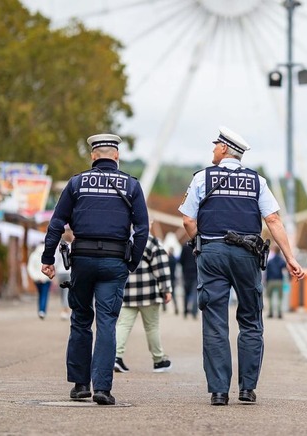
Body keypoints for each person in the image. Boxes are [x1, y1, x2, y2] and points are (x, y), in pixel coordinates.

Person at [178, 126, 305, 406]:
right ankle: (247, 388)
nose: (212, 149)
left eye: (215, 146)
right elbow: (273, 220)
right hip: (247, 255)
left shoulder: (202, 178)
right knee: (250, 320)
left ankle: (219, 391)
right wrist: (290, 257)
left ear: (224, 149)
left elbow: (188, 220)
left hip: (212, 252)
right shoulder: (257, 181)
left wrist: (201, 244)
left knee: (215, 321)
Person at [40, 133, 149, 405]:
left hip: (82, 260)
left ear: (93, 155)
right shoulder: (132, 186)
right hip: (115, 262)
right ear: (116, 156)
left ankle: (80, 385)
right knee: (107, 322)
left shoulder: (77, 183)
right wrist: (132, 261)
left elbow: (56, 223)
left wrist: (48, 257)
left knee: (80, 319)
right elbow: (143, 229)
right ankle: (102, 388)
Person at [114, 233, 173, 373]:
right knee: (152, 327)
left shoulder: (123, 238)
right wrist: (166, 289)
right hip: (148, 292)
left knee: (123, 325)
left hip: (127, 291)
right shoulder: (151, 241)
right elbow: (161, 266)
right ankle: (159, 361)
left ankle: (116, 357)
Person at [54, 229, 74, 320]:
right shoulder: (72, 246)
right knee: (67, 291)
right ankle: (65, 310)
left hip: (60, 272)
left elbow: (56, 260)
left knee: (62, 292)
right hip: (69, 271)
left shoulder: (59, 247)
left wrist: (55, 270)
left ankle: (64, 309)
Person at [28, 242, 51, 319]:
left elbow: (30, 267)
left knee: (40, 294)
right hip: (46, 279)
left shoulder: (33, 255)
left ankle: (40, 309)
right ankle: (42, 310)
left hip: (37, 279)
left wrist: (35, 277)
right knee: (44, 295)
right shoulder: (48, 255)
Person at [265, 245, 287, 318]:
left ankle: (271, 312)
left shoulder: (270, 261)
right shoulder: (281, 260)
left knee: (270, 297)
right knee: (280, 297)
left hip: (271, 280)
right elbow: (285, 268)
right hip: (279, 280)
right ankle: (279, 312)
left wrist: (266, 281)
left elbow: (267, 272)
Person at [179, 241, 198, 319]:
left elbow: (180, 261)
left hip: (186, 273)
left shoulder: (184, 247)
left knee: (186, 293)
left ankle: (185, 311)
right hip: (196, 273)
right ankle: (194, 312)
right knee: (195, 294)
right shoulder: (198, 246)